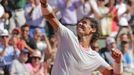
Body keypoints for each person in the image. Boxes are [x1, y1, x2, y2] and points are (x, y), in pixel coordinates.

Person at [40, 0, 122, 75]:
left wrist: (118, 62)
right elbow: (50, 17)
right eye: (79, 22)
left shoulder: (95, 57)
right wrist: (44, 5)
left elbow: (114, 74)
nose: (80, 24)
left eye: (84, 22)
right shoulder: (68, 36)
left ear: (92, 29)